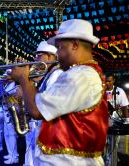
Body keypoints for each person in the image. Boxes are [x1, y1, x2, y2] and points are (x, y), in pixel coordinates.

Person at [9, 19, 109, 165]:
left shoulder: (81, 75)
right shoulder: (81, 72)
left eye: (60, 47)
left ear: (75, 45)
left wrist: (23, 78)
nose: (58, 54)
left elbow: (36, 111)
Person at [24, 41, 63, 166]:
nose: (36, 59)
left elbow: (46, 108)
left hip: (50, 132)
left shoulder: (57, 75)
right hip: (44, 129)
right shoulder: (49, 75)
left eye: (39, 55)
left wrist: (24, 83)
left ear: (51, 56)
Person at [2, 80, 19, 164]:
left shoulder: (14, 84)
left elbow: (6, 94)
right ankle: (10, 153)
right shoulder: (7, 84)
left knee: (12, 135)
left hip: (12, 111)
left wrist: (1, 86)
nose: (6, 77)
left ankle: (14, 156)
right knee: (7, 134)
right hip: (6, 110)